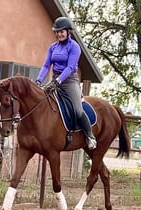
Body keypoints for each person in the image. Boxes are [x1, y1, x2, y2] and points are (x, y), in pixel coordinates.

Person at [35, 16, 97, 150]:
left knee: (77, 109)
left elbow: (70, 67)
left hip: (69, 81)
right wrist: (39, 80)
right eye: (57, 32)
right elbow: (46, 66)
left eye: (61, 31)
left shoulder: (74, 47)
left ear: (69, 32)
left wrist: (58, 81)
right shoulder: (53, 47)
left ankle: (90, 136)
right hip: (54, 80)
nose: (59, 34)